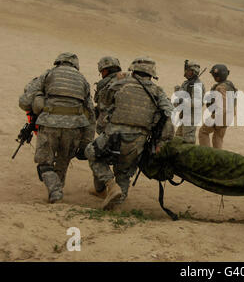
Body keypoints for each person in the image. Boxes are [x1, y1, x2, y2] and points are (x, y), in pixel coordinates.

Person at [85, 56, 174, 210]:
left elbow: (102, 101)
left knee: (92, 153)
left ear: (133, 70)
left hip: (114, 134)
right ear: (151, 75)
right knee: (124, 172)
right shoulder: (158, 91)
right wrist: (161, 142)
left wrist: (116, 80)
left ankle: (111, 186)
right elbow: (167, 116)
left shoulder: (120, 84)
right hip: (138, 140)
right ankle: (116, 207)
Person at [18, 52, 95, 203]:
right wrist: (86, 141)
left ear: (58, 62)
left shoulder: (48, 74)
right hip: (75, 128)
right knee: (63, 161)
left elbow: (24, 101)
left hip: (49, 124)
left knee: (44, 162)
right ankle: (56, 193)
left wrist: (37, 102)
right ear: (75, 65)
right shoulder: (83, 80)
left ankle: (54, 191)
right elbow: (90, 113)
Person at [198, 64, 237, 149]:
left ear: (217, 77)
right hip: (229, 116)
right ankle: (217, 158)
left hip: (220, 115)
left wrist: (215, 117)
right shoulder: (229, 85)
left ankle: (206, 155)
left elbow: (222, 106)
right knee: (218, 137)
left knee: (203, 132)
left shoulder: (221, 87)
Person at [174, 60, 205, 144]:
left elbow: (197, 103)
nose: (186, 72)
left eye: (188, 70)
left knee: (188, 141)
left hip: (191, 117)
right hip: (184, 115)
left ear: (193, 72)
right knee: (178, 138)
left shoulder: (197, 85)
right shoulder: (187, 83)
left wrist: (183, 100)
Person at [94, 56, 123, 135]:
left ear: (106, 71)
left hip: (111, 130)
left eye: (102, 72)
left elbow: (103, 107)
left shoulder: (107, 85)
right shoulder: (127, 80)